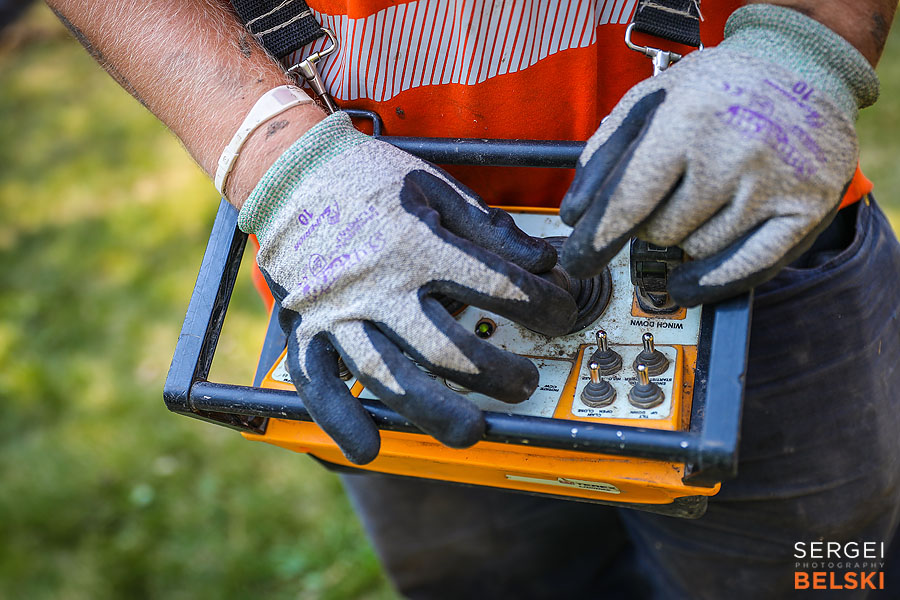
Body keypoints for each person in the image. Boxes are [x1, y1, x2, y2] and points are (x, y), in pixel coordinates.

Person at [47, 0, 900, 597]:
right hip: (366, 278)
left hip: (745, 224)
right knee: (488, 584)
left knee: (821, 575)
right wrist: (274, 156)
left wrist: (808, 45)